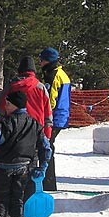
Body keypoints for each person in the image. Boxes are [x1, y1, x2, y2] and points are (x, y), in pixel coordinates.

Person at [0, 90, 52, 217]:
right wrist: (43, 166)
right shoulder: (34, 123)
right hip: (24, 167)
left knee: (0, 200)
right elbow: (46, 147)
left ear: (15, 105)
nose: (5, 107)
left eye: (8, 104)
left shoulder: (7, 122)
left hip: (3, 166)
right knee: (17, 200)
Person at [39, 47, 71, 191]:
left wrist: (44, 114)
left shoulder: (53, 75)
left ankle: (49, 182)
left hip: (54, 117)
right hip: (60, 115)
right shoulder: (60, 73)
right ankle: (48, 181)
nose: (40, 63)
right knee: (48, 146)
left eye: (42, 60)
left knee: (47, 147)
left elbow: (50, 98)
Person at [0, 56, 52, 140]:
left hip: (13, 130)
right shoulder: (41, 87)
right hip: (36, 131)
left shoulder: (11, 86)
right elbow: (48, 112)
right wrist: (47, 133)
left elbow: (1, 107)